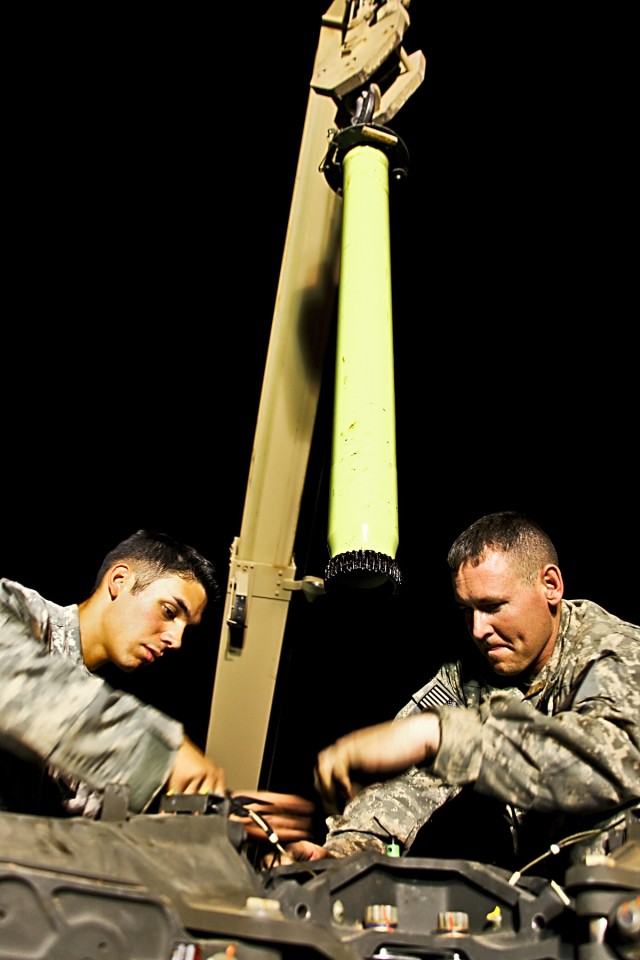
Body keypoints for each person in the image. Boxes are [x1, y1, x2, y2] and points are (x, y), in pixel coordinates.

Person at [279, 511, 640, 879]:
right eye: (466, 611)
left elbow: (615, 759)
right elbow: (403, 784)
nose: (479, 630)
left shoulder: (614, 651)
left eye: (493, 606)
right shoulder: (467, 678)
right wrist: (342, 853)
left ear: (551, 585)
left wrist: (440, 736)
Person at [0, 529, 314, 844]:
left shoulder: (87, 690)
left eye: (184, 628)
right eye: (168, 612)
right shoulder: (16, 610)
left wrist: (211, 815)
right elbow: (17, 680)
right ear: (119, 581)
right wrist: (160, 754)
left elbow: (78, 811)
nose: (176, 641)